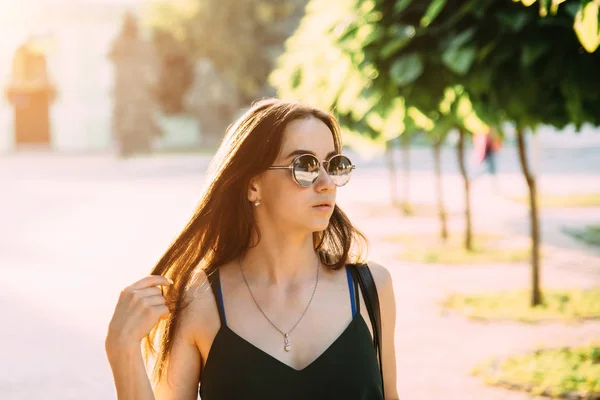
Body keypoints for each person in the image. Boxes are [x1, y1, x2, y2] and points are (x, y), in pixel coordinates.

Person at [104, 98, 399, 399]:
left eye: (334, 165)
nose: (326, 183)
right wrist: (122, 349)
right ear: (252, 185)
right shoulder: (199, 301)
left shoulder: (371, 288)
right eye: (305, 166)